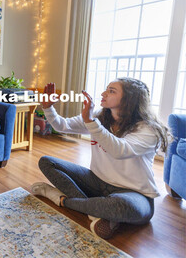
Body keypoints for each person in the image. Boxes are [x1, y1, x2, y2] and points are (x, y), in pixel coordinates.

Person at [31, 79, 169, 239]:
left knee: (120, 207)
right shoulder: (99, 117)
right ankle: (99, 212)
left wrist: (91, 122)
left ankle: (59, 198)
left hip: (134, 194)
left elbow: (120, 150)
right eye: (106, 89)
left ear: (129, 98)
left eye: (111, 91)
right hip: (97, 181)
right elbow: (63, 126)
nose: (103, 93)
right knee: (47, 162)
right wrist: (48, 108)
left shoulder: (148, 129)